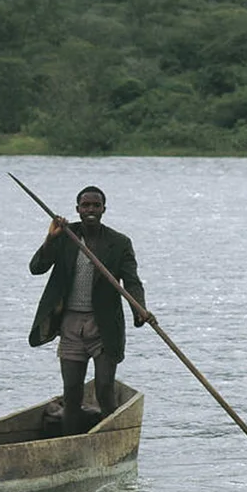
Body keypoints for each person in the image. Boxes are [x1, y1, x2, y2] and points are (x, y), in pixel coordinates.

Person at [28, 185, 151, 434]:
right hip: (70, 325)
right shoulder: (65, 236)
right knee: (72, 391)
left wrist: (140, 309)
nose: (91, 210)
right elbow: (36, 267)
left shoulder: (119, 243)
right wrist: (50, 238)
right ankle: (70, 443)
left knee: (104, 387)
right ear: (78, 209)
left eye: (96, 205)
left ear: (104, 209)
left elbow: (132, 281)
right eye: (86, 206)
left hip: (103, 325)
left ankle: (109, 438)